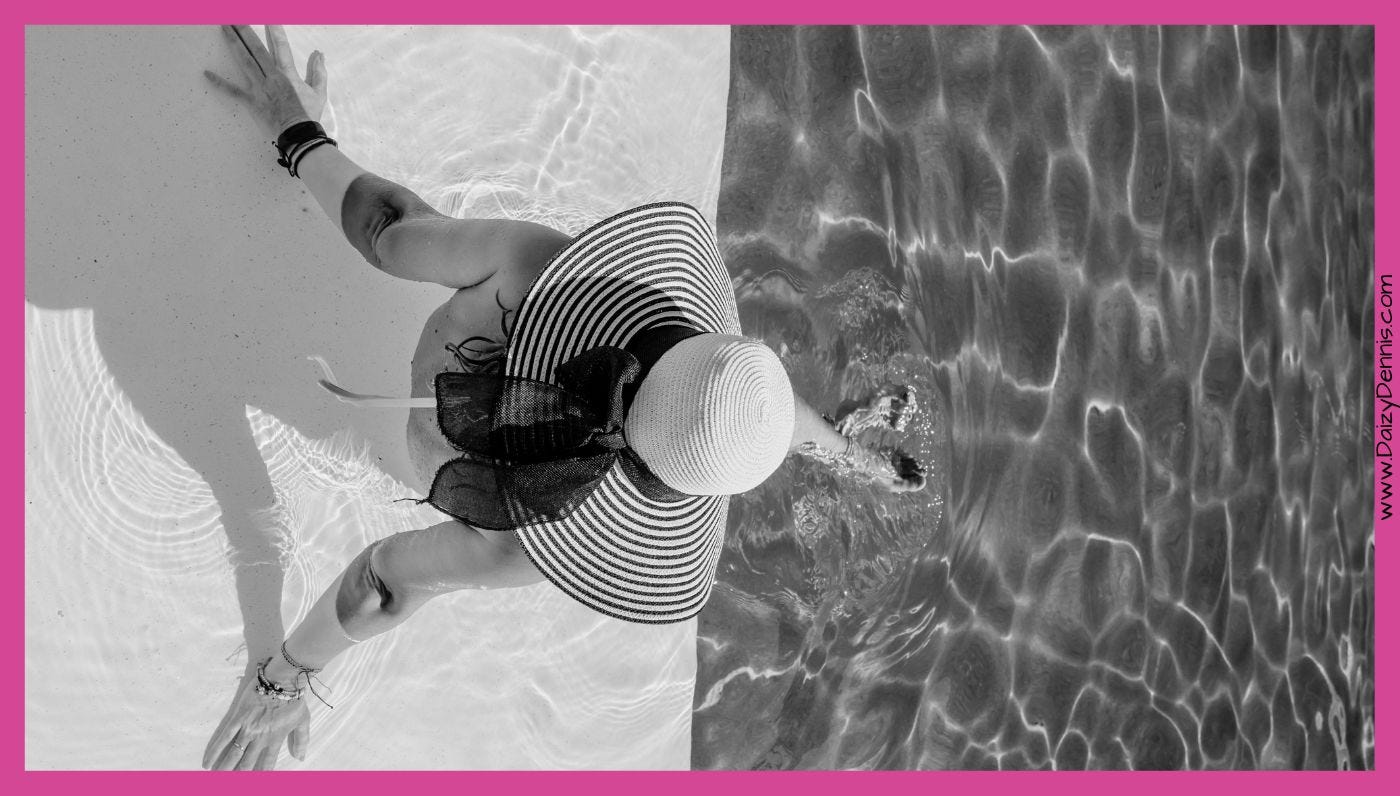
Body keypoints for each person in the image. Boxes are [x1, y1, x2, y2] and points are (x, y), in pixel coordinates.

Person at [200, 25, 925, 771]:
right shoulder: (542, 533)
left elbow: (387, 228)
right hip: (446, 468)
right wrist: (284, 673)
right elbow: (382, 581)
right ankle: (848, 451)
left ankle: (845, 449)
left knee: (746, 419)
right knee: (750, 426)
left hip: (489, 374)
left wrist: (301, 135)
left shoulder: (536, 267)